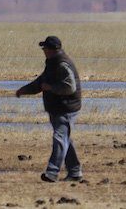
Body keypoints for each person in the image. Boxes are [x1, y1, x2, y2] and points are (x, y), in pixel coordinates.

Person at [15, 35, 83, 182]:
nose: (43, 50)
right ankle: (75, 172)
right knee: (64, 139)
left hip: (66, 108)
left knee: (59, 138)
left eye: (45, 47)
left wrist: (51, 88)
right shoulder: (52, 63)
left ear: (52, 49)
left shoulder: (62, 64)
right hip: (58, 107)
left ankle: (52, 173)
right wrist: (24, 90)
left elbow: (70, 87)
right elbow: (40, 82)